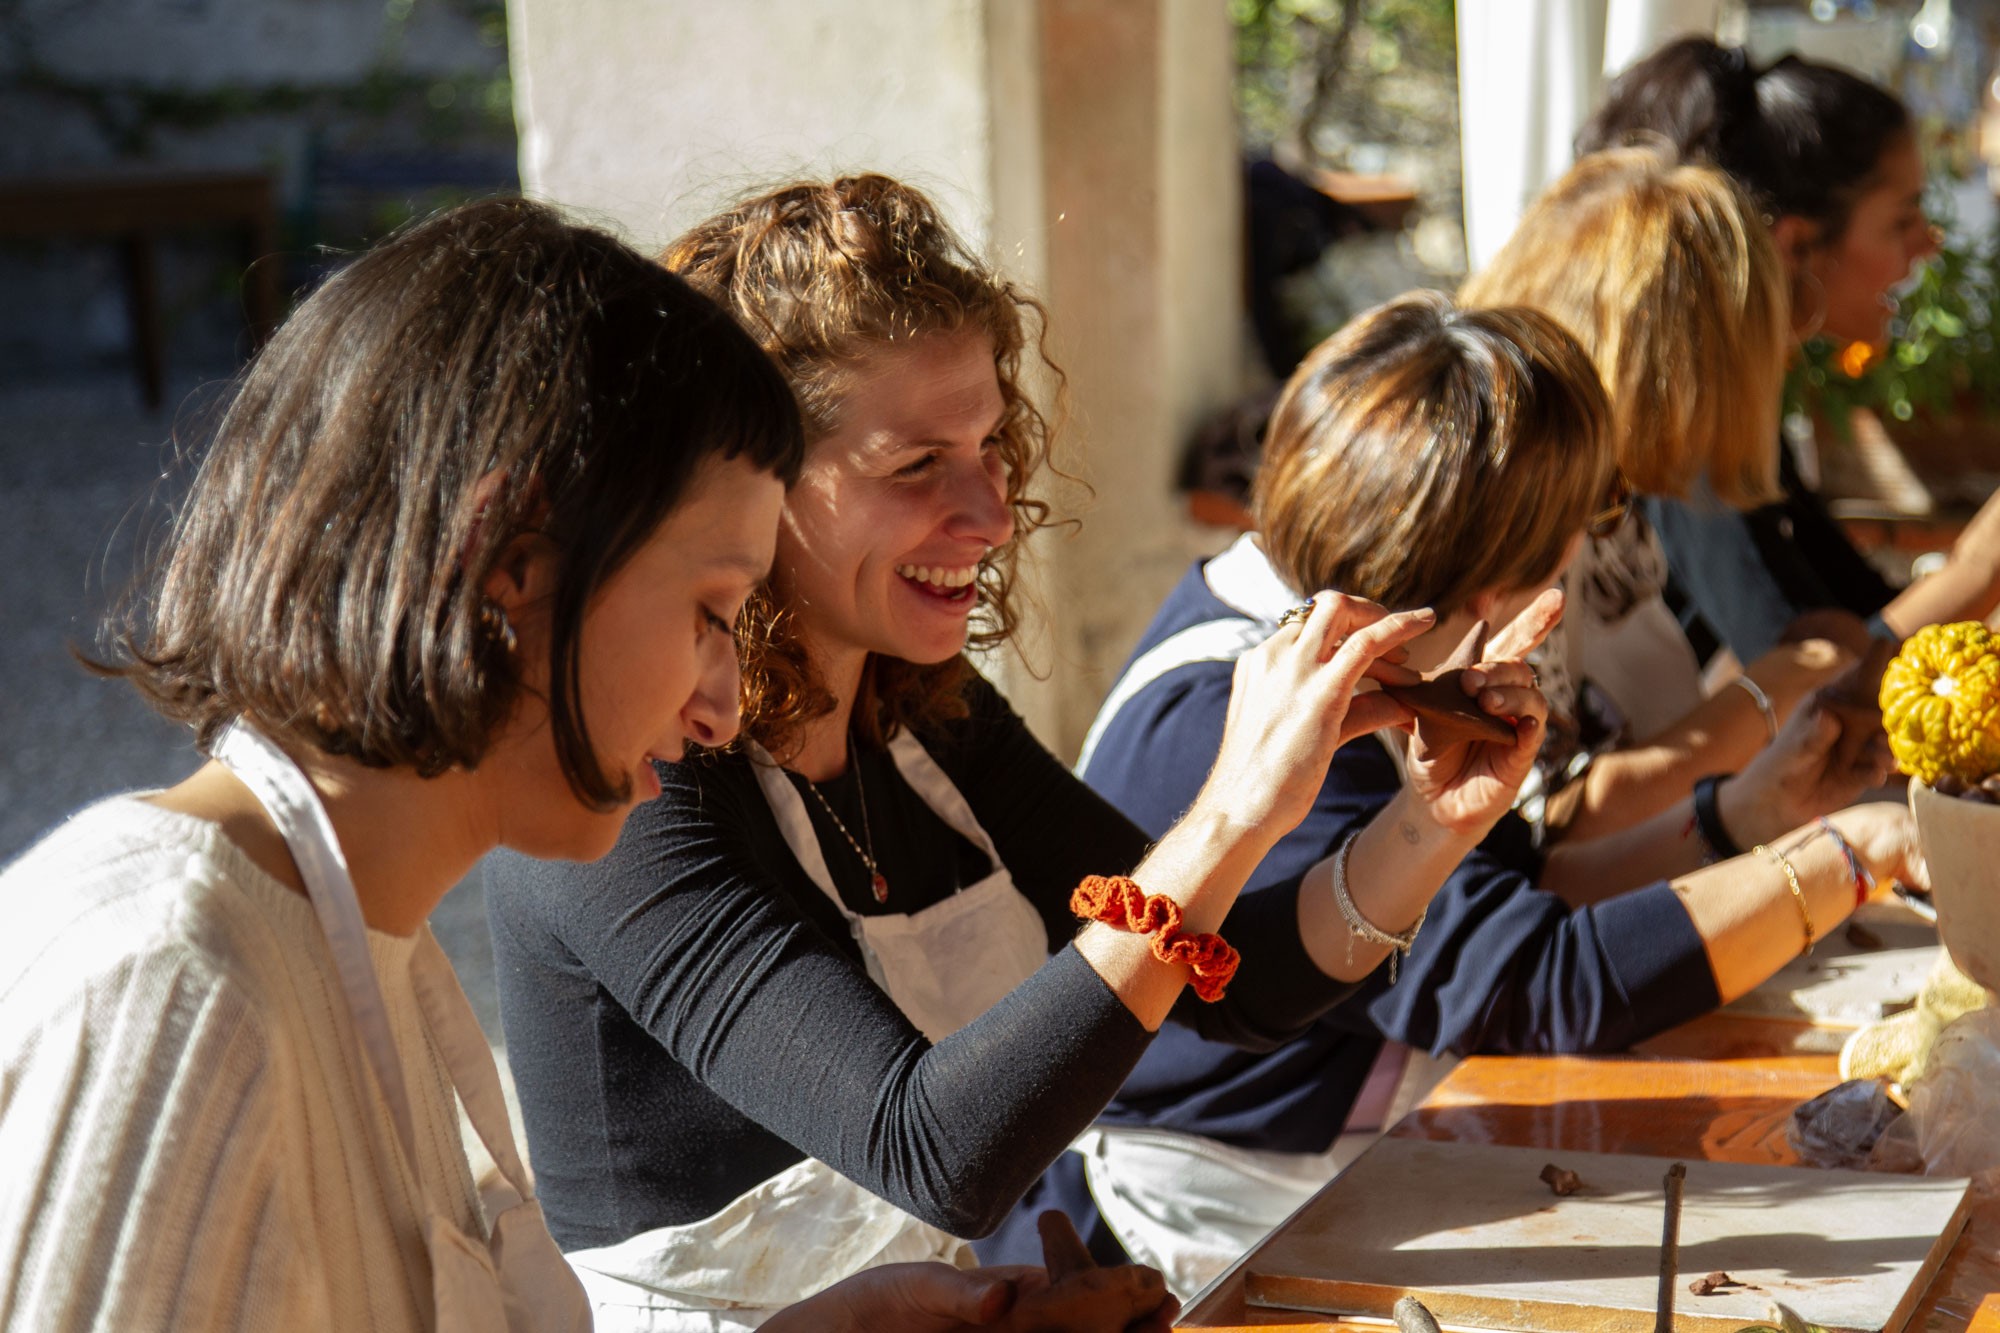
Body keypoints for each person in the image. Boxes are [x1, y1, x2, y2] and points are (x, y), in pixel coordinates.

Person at [0, 196, 1172, 1333]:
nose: (720, 704)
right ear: (511, 567)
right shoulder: (174, 977)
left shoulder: (354, 939)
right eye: (713, 609)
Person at [484, 173, 1553, 1329]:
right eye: (915, 466)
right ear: (751, 486)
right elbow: (932, 1146)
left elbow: (1232, 973)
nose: (990, 515)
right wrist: (1237, 806)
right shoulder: (635, 786)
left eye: (992, 446)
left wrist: (1430, 821)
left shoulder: (921, 715)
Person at [989, 289, 1927, 1298]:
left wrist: (1741, 816)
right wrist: (1845, 856)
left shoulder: (1351, 653)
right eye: (1588, 513)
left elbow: (1518, 887)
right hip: (1204, 1238)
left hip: (1333, 1172)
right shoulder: (1237, 717)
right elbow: (1536, 982)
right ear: (1494, 579)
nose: (1590, 540)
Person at [1459, 143, 1866, 848]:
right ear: (1681, 366)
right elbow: (1549, 827)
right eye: (1756, 351)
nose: (1781, 367)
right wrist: (1774, 687)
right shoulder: (1506, 518)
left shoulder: (1610, 497)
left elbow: (1634, 727)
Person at [1575, 35, 2000, 662]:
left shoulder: (1736, 402)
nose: (1929, 244)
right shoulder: (1677, 418)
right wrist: (1975, 572)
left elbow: (1850, 610)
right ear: (1796, 245)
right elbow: (1791, 685)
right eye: (1901, 220)